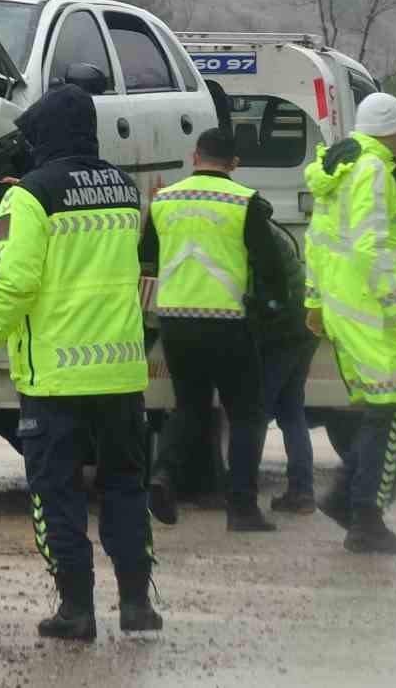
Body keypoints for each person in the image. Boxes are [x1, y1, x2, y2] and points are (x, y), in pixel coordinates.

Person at [0, 84, 161, 641]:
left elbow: (13, 283)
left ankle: (76, 609)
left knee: (57, 494)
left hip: (54, 378)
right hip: (120, 372)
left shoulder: (29, 196)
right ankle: (136, 604)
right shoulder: (124, 189)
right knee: (126, 487)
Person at [144, 127, 288, 530]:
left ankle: (163, 474)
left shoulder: (163, 200)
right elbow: (270, 267)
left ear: (195, 157)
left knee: (189, 407)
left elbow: (147, 256)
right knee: (246, 414)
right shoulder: (244, 202)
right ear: (234, 164)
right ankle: (242, 508)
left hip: (175, 320)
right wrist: (270, 310)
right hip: (227, 322)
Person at [303, 92, 396, 556]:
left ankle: (348, 500)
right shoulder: (373, 169)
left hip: (343, 307)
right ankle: (365, 515)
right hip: (370, 309)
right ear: (389, 129)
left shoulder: (340, 168)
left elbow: (317, 241)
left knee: (383, 408)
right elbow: (371, 247)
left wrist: (315, 301)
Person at [257, 217, 320, 515]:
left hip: (283, 330)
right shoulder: (267, 227)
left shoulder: (251, 231)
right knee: (291, 410)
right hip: (302, 324)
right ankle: (302, 492)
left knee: (257, 411)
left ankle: (241, 491)